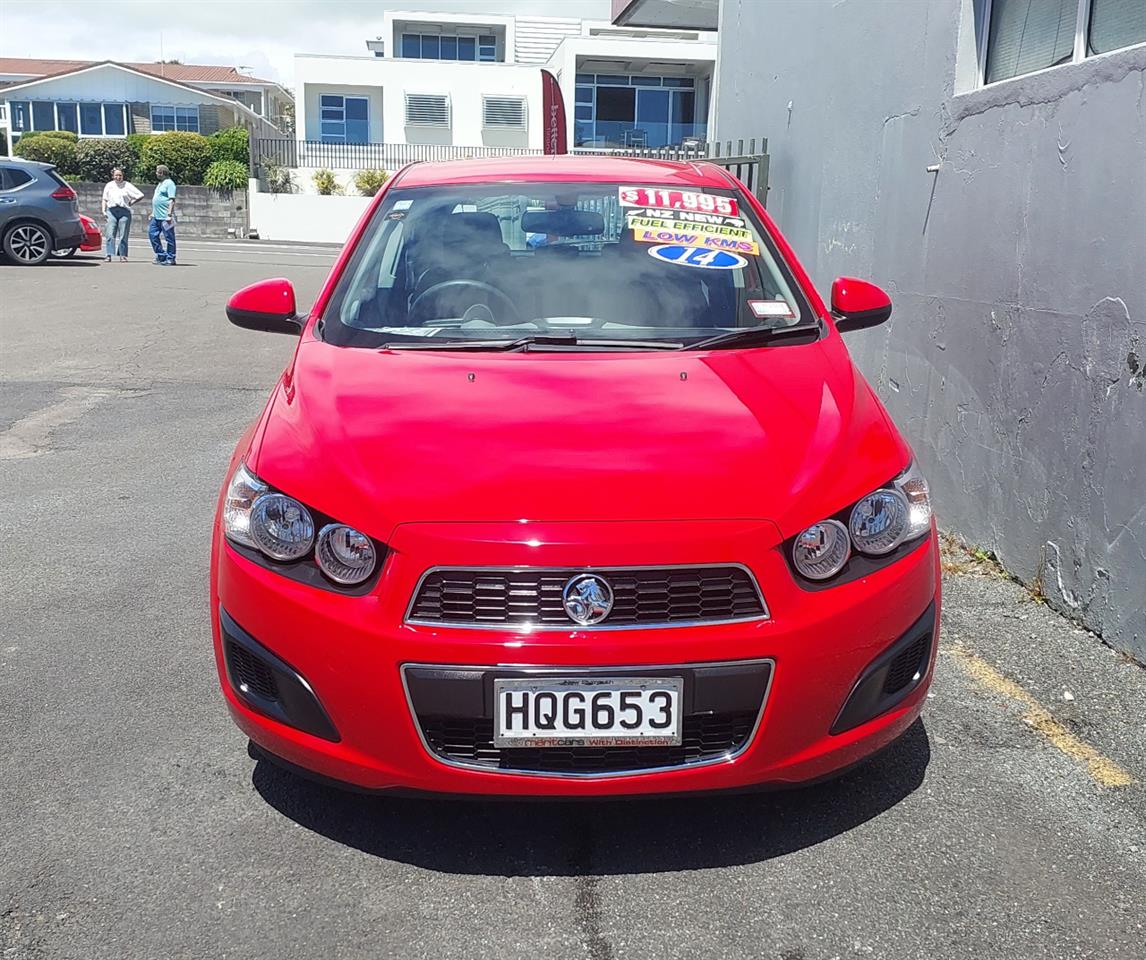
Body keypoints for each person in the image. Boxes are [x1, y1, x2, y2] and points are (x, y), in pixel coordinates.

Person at [101, 167, 143, 262]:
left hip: (124, 211)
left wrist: (131, 202)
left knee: (123, 234)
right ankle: (109, 254)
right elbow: (104, 199)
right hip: (111, 211)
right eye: (116, 175)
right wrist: (103, 211)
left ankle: (122, 254)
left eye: (120, 175)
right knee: (110, 233)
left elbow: (140, 195)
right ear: (113, 176)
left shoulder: (127, 185)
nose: (118, 177)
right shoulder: (109, 185)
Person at [148, 165, 177, 266]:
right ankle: (161, 255)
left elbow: (171, 200)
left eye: (157, 172)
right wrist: (153, 212)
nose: (156, 174)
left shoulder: (170, 184)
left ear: (162, 173)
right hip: (156, 216)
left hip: (165, 216)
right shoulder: (160, 183)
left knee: (169, 238)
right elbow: (157, 199)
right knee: (152, 234)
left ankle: (171, 257)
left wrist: (169, 214)